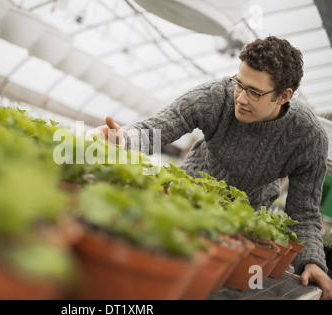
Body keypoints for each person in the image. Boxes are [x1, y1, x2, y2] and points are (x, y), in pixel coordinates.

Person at [95, 36, 332, 300]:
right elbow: (158, 127)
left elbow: (305, 213)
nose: (240, 98)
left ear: (284, 96)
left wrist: (312, 261)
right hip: (189, 192)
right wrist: (123, 138)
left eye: (254, 92)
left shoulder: (308, 137)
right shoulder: (217, 95)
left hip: (245, 216)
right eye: (238, 83)